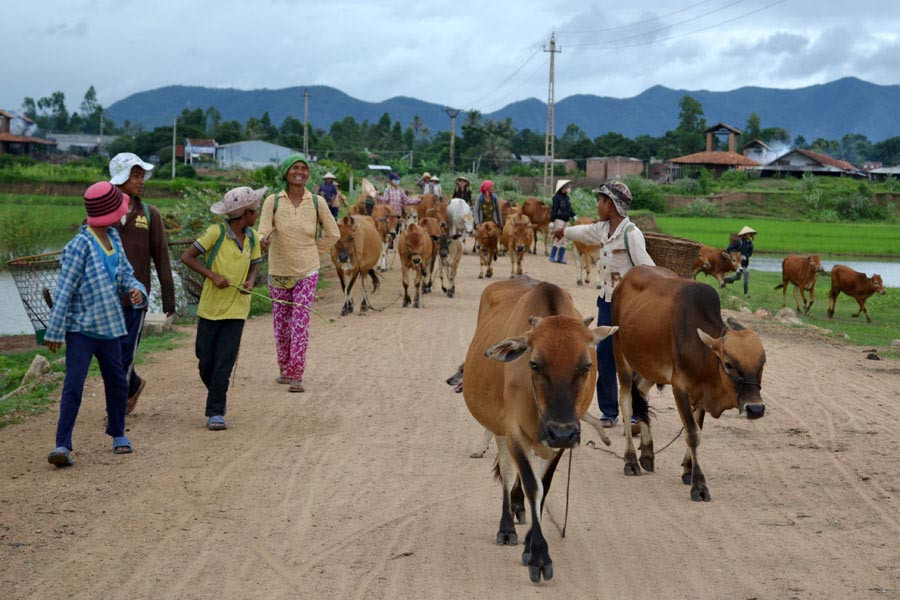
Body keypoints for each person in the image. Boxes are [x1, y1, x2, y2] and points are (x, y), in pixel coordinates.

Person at [45, 182, 148, 467]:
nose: (124, 213)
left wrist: (136, 289)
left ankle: (117, 433)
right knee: (74, 385)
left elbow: (126, 274)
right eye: (120, 209)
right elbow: (64, 290)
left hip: (110, 328)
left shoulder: (113, 238)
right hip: (81, 331)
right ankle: (62, 444)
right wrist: (55, 330)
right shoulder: (79, 246)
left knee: (117, 382)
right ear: (109, 213)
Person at [554, 181, 654, 430]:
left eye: (600, 201)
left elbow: (648, 269)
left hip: (630, 309)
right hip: (607, 304)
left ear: (610, 204)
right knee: (605, 357)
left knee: (632, 359)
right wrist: (563, 232)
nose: (597, 205)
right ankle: (609, 411)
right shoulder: (602, 230)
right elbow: (582, 232)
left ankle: (634, 411)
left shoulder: (632, 235)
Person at [180, 186, 265, 430]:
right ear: (246, 214)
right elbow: (188, 257)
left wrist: (250, 281)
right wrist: (213, 275)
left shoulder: (251, 238)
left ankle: (215, 411)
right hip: (210, 309)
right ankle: (218, 393)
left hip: (237, 309)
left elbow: (254, 265)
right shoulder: (215, 233)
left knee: (224, 362)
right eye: (255, 210)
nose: (257, 213)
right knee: (205, 361)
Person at [257, 154, 339, 394]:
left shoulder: (316, 202)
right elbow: (262, 230)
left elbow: (333, 234)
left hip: (307, 271)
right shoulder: (272, 201)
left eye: (304, 168)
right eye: (295, 168)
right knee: (281, 324)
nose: (300, 172)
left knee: (300, 322)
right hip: (278, 271)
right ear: (286, 173)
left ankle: (296, 373)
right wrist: (263, 240)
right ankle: (284, 368)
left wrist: (314, 251)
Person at [108, 152, 176, 415]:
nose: (141, 181)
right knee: (109, 354)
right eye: (135, 175)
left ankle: (116, 407)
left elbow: (162, 258)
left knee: (125, 353)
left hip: (136, 299)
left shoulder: (150, 214)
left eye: (141, 175)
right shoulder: (104, 213)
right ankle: (133, 385)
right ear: (121, 178)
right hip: (106, 298)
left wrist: (169, 299)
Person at [722, 226, 756, 295]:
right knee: (746, 274)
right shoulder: (739, 242)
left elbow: (750, 254)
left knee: (737, 277)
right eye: (749, 233)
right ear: (745, 234)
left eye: (751, 234)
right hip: (736, 263)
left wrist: (745, 256)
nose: (750, 235)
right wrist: (736, 255)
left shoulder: (750, 244)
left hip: (744, 263)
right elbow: (728, 249)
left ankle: (724, 280)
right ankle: (746, 294)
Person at [549, 179, 575, 264]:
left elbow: (569, 209)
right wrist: (552, 221)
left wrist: (574, 215)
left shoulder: (567, 198)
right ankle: (552, 256)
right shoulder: (556, 197)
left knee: (565, 239)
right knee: (558, 238)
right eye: (567, 187)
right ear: (562, 188)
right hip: (559, 220)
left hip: (566, 220)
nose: (568, 188)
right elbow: (554, 209)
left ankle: (560, 258)